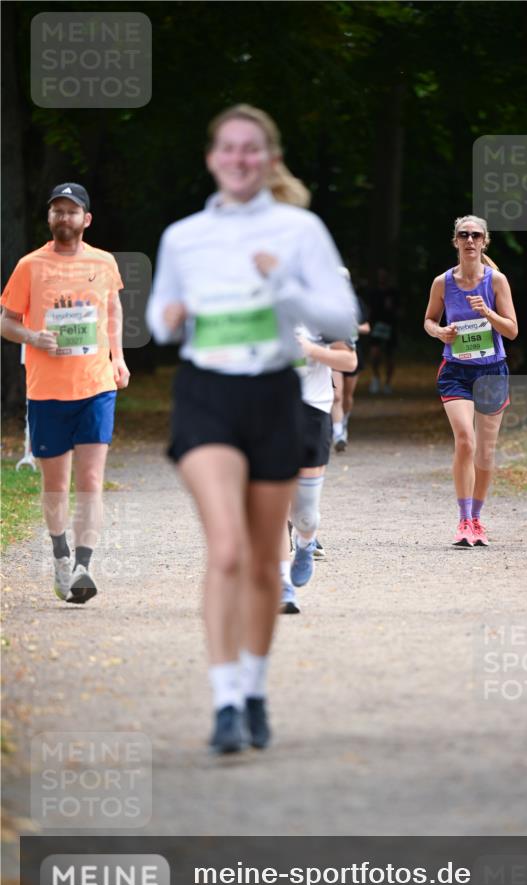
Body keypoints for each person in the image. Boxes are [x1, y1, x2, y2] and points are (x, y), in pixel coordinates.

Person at [146, 104, 356, 753]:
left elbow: (341, 315)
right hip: (207, 394)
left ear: (267, 160)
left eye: (251, 149)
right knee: (228, 550)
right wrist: (172, 315)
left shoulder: (300, 231)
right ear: (213, 158)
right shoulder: (184, 236)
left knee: (264, 562)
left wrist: (283, 283)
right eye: (227, 149)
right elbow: (158, 319)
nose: (238, 159)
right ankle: (225, 703)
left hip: (273, 394)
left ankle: (257, 687)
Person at [1, 182, 130, 603]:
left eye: (72, 211)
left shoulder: (104, 262)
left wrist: (118, 357)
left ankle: (83, 567)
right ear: (49, 218)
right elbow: (6, 321)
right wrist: (34, 337)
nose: (64, 218)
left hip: (96, 386)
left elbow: (113, 308)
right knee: (56, 484)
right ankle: (60, 554)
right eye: (57, 211)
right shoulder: (29, 266)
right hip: (47, 392)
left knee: (91, 478)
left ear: (86, 219)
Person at [424, 215, 518, 547]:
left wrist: (488, 314)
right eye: (463, 235)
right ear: (455, 241)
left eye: (475, 235)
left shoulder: (496, 282)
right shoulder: (442, 283)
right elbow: (429, 321)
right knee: (466, 440)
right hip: (456, 372)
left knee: (486, 453)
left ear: (484, 241)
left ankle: (477, 519)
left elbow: (512, 329)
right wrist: (440, 332)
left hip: (492, 370)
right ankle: (463, 520)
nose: (469, 240)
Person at [280, 327, 356, 613]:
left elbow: (349, 362)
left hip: (312, 410)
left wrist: (311, 350)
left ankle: (305, 542)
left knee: (306, 515)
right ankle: (283, 586)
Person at [332, 268, 371, 452]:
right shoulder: (326, 301)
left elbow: (367, 327)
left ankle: (344, 421)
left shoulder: (356, 303)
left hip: (353, 352)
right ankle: (338, 433)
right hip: (333, 352)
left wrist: (353, 326)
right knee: (336, 395)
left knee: (347, 395)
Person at [367, 267, 399, 394]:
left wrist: (393, 310)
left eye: (384, 276)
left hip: (390, 327)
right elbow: (369, 310)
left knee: (390, 357)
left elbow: (400, 311)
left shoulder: (393, 293)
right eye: (380, 276)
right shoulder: (373, 293)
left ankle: (388, 383)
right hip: (376, 327)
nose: (382, 278)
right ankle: (375, 378)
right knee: (374, 354)